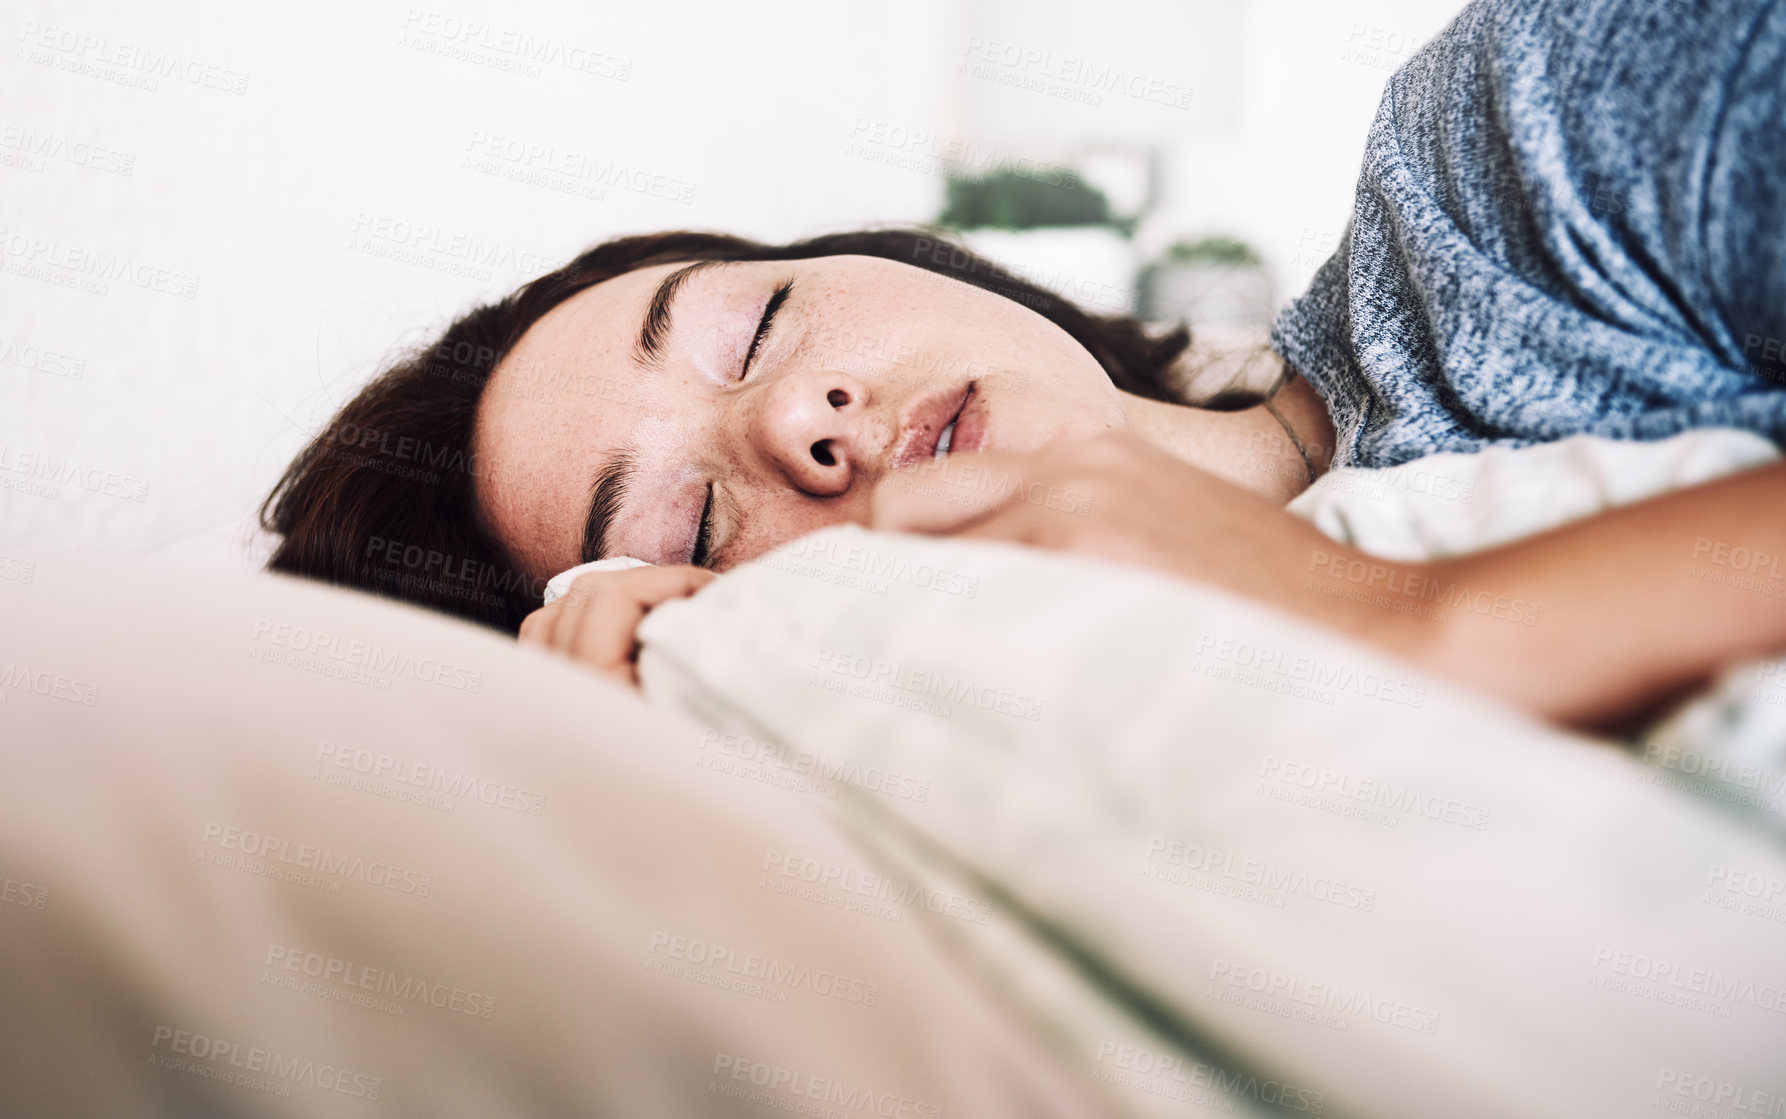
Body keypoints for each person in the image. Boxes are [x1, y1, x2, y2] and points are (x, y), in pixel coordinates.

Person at [262, 0, 1786, 733]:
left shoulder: (1515, 159)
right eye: (687, 531)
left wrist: (1423, 623)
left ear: (906, 257)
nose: (796, 417)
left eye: (755, 329)